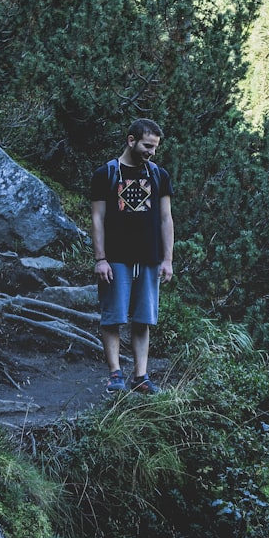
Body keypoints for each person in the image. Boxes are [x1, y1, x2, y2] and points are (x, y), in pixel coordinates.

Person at [90, 118, 174, 394]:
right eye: (147, 146)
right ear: (131, 140)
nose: (151, 152)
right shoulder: (107, 174)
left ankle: (140, 376)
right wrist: (100, 258)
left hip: (149, 257)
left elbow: (165, 218)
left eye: (155, 148)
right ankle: (115, 373)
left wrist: (168, 259)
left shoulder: (159, 175)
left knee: (143, 319)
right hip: (116, 258)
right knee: (112, 317)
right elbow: (97, 218)